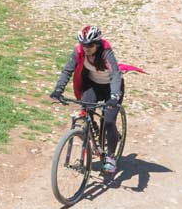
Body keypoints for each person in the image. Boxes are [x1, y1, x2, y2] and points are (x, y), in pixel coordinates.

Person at [49, 25, 143, 174]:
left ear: (97, 44)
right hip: (93, 85)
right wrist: (58, 89)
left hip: (111, 88)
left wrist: (114, 96)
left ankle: (110, 157)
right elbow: (67, 70)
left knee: (109, 120)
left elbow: (115, 75)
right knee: (85, 110)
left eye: (90, 45)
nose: (86, 48)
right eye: (83, 44)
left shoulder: (106, 52)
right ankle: (95, 132)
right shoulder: (78, 51)